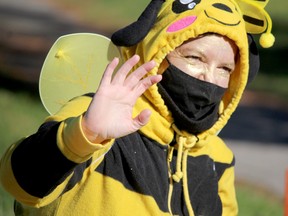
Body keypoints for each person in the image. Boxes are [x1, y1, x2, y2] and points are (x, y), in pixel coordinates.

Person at [0, 0, 274, 215]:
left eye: (225, 68)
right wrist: (86, 134)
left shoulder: (218, 157)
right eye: (194, 57)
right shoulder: (97, 117)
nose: (208, 78)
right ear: (155, 52)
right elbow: (18, 184)